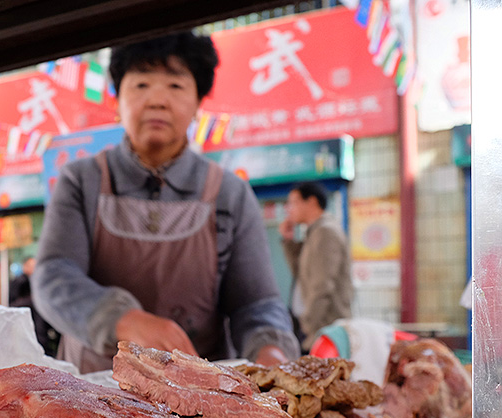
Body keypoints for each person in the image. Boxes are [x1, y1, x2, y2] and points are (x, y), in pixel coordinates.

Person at [32, 32, 300, 373]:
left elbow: (256, 303)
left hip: (199, 399)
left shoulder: (230, 193)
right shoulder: (80, 180)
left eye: (175, 87)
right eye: (141, 85)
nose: (157, 100)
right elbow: (54, 276)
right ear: (117, 99)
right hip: (93, 392)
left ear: (198, 102)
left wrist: (271, 350)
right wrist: (120, 319)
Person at [279, 181, 353, 351]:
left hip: (324, 331)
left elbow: (323, 286)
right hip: (316, 329)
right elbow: (299, 273)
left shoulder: (325, 232)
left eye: (293, 202)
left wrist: (307, 327)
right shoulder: (314, 233)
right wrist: (288, 241)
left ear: (311, 202)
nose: (289, 209)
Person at [9, 256, 59, 357]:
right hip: (26, 317)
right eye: (32, 265)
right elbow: (12, 303)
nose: (35, 268)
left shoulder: (36, 280)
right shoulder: (20, 282)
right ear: (25, 267)